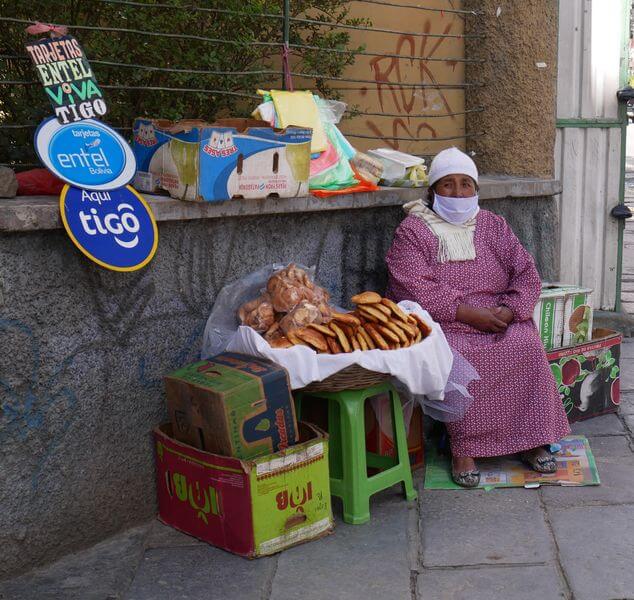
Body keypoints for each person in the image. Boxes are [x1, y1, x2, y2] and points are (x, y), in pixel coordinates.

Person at [385, 147, 571, 488]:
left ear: (476, 190)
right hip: (448, 321)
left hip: (498, 315)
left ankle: (531, 440)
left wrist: (510, 310)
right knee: (456, 352)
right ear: (432, 191)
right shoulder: (413, 231)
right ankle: (465, 449)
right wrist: (468, 313)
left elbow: (526, 272)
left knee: (525, 342)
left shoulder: (492, 225)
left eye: (466, 185)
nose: (458, 193)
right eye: (448, 185)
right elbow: (411, 284)